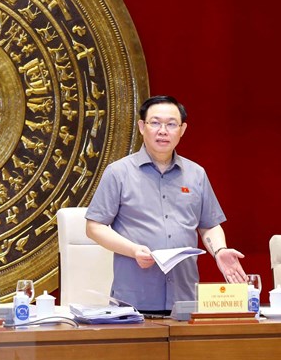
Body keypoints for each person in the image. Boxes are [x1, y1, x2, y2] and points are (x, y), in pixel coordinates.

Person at [85, 95, 247, 314]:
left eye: (171, 124)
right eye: (155, 123)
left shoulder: (196, 174)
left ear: (182, 130)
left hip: (184, 298)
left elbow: (209, 224)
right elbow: (94, 227)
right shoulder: (118, 172)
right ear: (142, 127)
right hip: (135, 300)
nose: (163, 131)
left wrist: (219, 250)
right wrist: (133, 250)